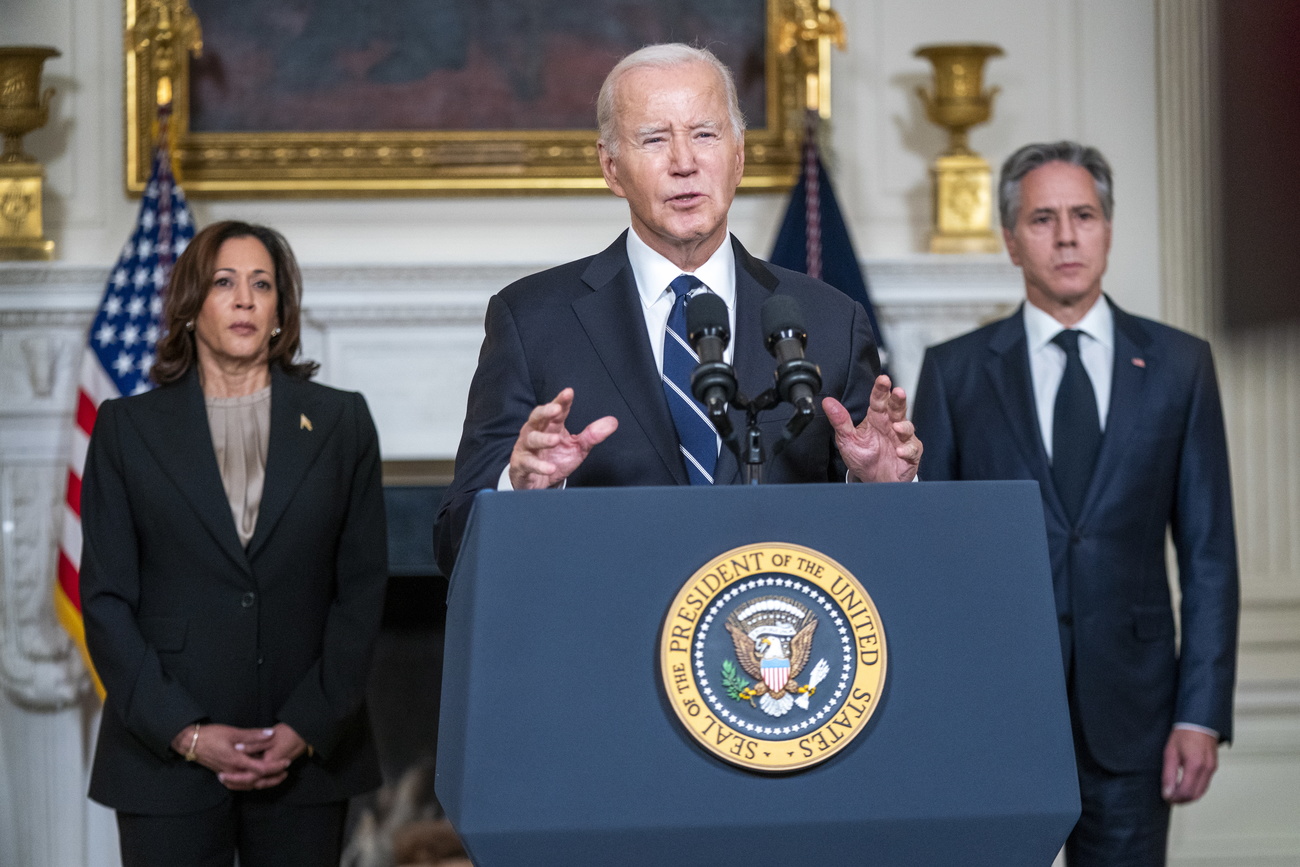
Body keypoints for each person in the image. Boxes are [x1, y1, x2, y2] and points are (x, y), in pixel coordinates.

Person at [434, 43, 921, 574]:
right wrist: (521, 492)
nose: (684, 163)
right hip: (606, 640)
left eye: (705, 135)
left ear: (738, 156)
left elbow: (888, 552)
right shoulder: (531, 320)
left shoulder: (831, 320)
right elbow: (454, 541)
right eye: (654, 139)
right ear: (611, 168)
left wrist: (880, 487)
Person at [911, 141, 1238, 866]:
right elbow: (930, 561)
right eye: (1043, 218)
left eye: (1084, 215)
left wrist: (1200, 714)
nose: (1066, 236)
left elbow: (1211, 556)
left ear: (1108, 230)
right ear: (1010, 240)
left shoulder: (1181, 367)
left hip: (1137, 721)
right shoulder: (956, 372)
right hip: (994, 716)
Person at [80, 220, 388, 866]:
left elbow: (360, 593)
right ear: (192, 308)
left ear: (280, 312)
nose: (245, 299)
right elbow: (105, 602)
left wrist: (305, 728)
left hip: (305, 762)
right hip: (163, 764)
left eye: (262, 284)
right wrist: (187, 733)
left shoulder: (342, 423)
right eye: (225, 283)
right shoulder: (125, 429)